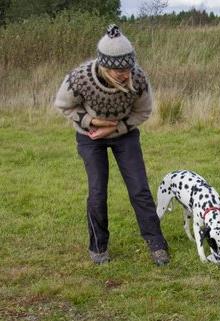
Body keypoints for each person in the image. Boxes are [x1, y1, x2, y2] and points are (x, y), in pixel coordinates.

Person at [54, 24, 169, 265]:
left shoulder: (137, 78)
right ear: (104, 65)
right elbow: (64, 105)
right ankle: (98, 247)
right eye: (118, 70)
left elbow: (144, 111)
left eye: (128, 67)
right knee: (97, 191)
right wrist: (92, 121)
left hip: (124, 134)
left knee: (139, 189)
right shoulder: (80, 78)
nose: (124, 73)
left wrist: (115, 127)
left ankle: (157, 244)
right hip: (90, 137)